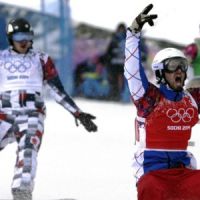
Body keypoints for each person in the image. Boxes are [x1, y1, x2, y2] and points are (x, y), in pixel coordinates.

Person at [0, 18, 97, 200]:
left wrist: (77, 112)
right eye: (19, 36)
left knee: (28, 149)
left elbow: (56, 90)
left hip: (31, 115)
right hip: (4, 113)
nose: (23, 41)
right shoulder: (1, 58)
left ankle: (22, 191)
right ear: (11, 38)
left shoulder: (41, 59)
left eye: (27, 37)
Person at [124, 4, 200, 200]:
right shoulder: (149, 98)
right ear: (160, 72)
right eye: (173, 66)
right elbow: (132, 72)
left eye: (182, 66)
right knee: (152, 188)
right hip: (153, 173)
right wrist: (133, 34)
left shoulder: (192, 99)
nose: (180, 71)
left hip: (183, 172)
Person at [105, 22, 127, 101]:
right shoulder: (114, 39)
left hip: (123, 64)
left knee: (122, 81)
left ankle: (121, 95)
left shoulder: (127, 39)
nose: (121, 31)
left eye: (122, 29)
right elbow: (108, 52)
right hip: (114, 64)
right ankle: (114, 95)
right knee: (113, 80)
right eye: (120, 29)